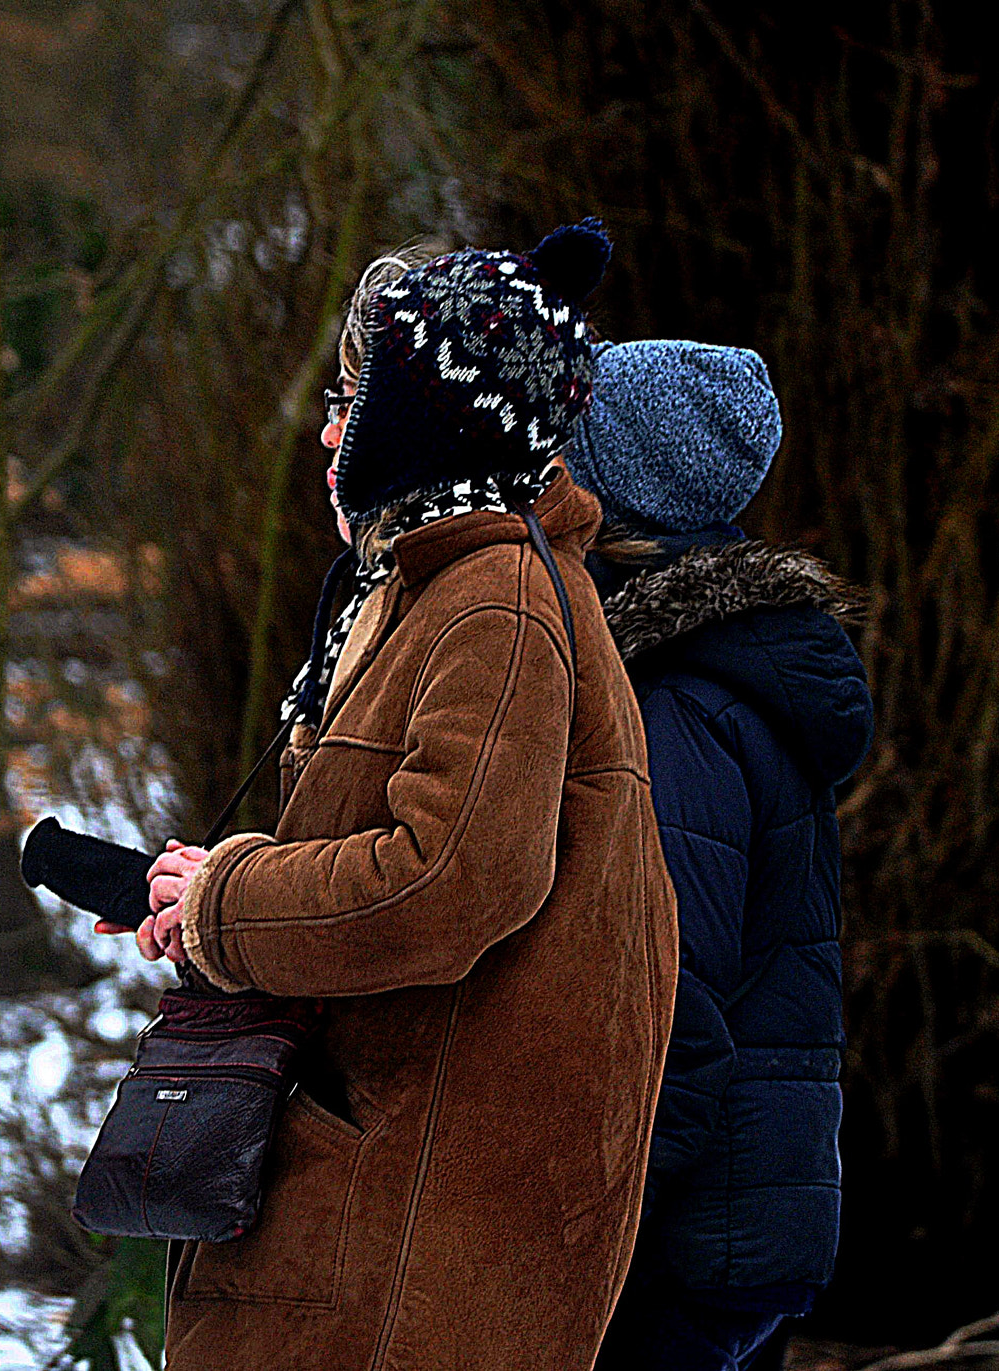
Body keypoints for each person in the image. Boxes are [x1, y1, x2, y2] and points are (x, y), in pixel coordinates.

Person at [120, 223, 678, 1371]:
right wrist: (204, 896)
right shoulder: (430, 590)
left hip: (405, 1238)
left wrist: (229, 904)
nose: (329, 429)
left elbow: (444, 879)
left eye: (353, 396)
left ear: (419, 423)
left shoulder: (496, 603)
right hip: (366, 1203)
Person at [563, 338, 875, 1371]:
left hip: (683, 1238)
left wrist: (584, 1233)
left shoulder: (673, 707)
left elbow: (668, 1007)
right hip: (743, 1212)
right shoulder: (719, 670)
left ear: (611, 490)